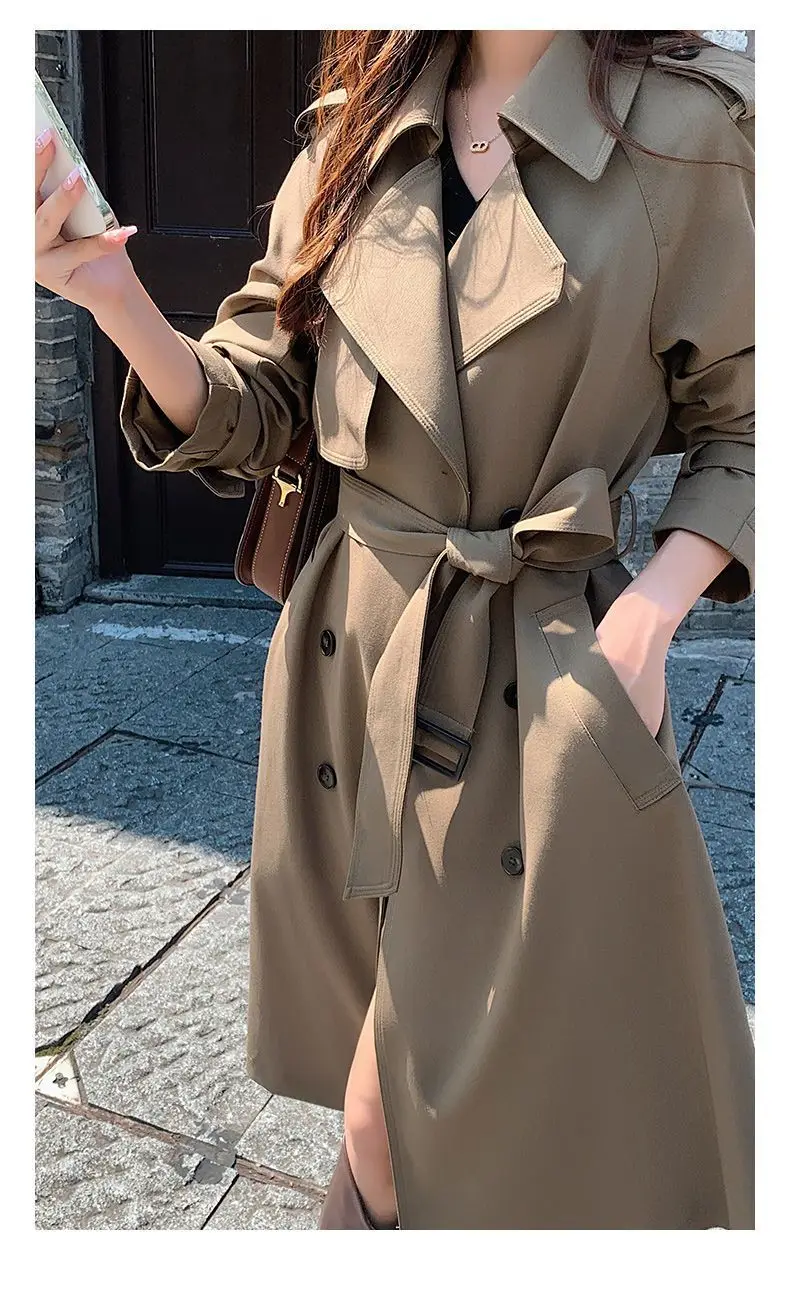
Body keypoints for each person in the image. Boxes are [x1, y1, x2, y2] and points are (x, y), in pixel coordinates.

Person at [35, 29, 755, 1230]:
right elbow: (265, 402)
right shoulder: (354, 130)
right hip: (351, 654)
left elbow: (749, 415)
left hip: (537, 671)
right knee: (415, 1092)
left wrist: (646, 620)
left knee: (424, 1105)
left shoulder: (684, 136)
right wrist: (109, 296)